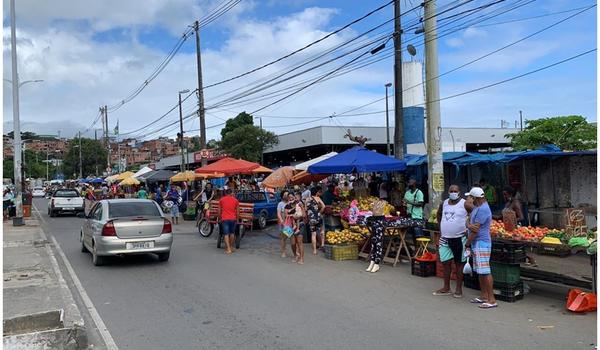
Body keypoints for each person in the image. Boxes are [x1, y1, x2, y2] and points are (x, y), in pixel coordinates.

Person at [434, 185, 470, 298]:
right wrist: (441, 227)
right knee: (445, 262)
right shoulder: (444, 203)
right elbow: (439, 214)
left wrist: (468, 228)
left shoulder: (464, 203)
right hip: (445, 238)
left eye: (455, 191)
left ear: (459, 192)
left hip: (459, 238)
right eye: (451, 191)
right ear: (448, 192)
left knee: (459, 263)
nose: (453, 193)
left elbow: (473, 214)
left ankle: (458, 289)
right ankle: (446, 287)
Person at [464, 187, 497, 309]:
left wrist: (467, 243)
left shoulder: (483, 209)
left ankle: (492, 299)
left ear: (475, 198)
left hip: (481, 242)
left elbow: (474, 229)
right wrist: (469, 225)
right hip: (477, 242)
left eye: (471, 197)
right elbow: (469, 222)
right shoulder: (477, 208)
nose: (469, 199)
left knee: (485, 271)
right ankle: (484, 295)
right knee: (480, 271)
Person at [365, 199, 388, 273]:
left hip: (380, 222)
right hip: (375, 222)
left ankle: (377, 263)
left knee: (378, 243)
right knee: (373, 243)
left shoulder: (384, 204)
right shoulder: (375, 204)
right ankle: (372, 261)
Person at [404, 178, 425, 244]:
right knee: (413, 234)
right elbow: (405, 202)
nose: (409, 185)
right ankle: (416, 248)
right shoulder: (407, 192)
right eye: (408, 183)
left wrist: (409, 202)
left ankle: (420, 249)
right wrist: (404, 205)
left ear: (414, 184)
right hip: (410, 215)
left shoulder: (419, 193)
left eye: (410, 183)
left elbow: (420, 204)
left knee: (418, 235)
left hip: (417, 216)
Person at [305, 186, 325, 255]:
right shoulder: (318, 198)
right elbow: (324, 206)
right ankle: (322, 245)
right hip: (318, 217)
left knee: (313, 234)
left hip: (311, 219)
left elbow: (305, 209)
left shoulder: (307, 199)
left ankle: (314, 251)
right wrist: (320, 212)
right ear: (316, 192)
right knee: (321, 231)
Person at [219, 189, 240, 254]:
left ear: (226, 193)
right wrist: (237, 219)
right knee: (232, 233)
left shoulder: (221, 200)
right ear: (231, 193)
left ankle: (228, 249)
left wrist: (219, 218)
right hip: (233, 219)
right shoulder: (236, 200)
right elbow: (238, 212)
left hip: (224, 219)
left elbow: (219, 211)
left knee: (226, 234)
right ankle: (230, 247)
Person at [277, 191, 296, 258]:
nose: (286, 196)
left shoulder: (291, 203)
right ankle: (283, 252)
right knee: (284, 238)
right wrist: (282, 221)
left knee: (292, 238)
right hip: (285, 224)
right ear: (282, 196)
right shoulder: (280, 204)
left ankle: (295, 253)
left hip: (292, 223)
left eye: (287, 195)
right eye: (284, 195)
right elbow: (279, 213)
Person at [289, 192, 306, 264]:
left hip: (300, 224)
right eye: (289, 197)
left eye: (292, 197)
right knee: (292, 243)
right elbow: (285, 215)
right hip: (289, 226)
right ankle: (296, 255)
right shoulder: (288, 205)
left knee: (299, 242)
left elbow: (304, 215)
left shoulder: (300, 204)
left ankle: (301, 258)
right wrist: (292, 215)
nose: (291, 198)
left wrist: (302, 207)